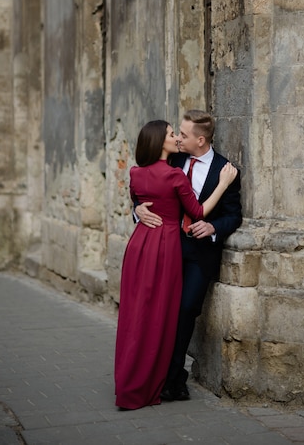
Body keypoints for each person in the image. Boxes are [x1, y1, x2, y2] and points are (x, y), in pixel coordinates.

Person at [114, 120, 237, 410]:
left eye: (182, 134)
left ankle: (155, 378)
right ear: (162, 142)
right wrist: (138, 210)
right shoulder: (175, 168)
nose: (178, 139)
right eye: (174, 134)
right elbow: (183, 208)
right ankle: (159, 379)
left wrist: (213, 227)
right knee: (155, 314)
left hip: (155, 249)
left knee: (165, 313)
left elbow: (233, 214)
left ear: (201, 140)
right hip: (166, 249)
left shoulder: (223, 166)